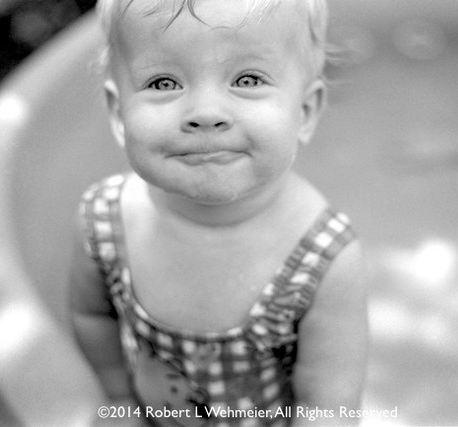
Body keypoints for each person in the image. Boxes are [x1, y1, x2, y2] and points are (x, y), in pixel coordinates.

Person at [69, 0, 368, 425]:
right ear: (119, 113)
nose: (205, 114)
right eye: (163, 82)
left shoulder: (324, 257)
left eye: (247, 79)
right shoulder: (103, 223)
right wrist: (117, 400)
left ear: (305, 111)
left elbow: (329, 408)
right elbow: (92, 317)